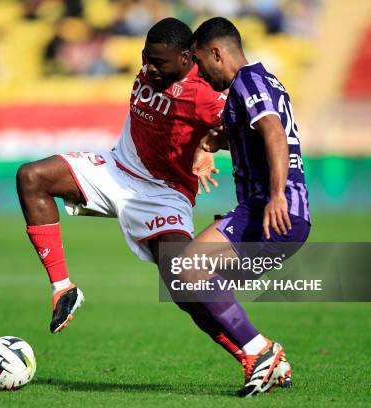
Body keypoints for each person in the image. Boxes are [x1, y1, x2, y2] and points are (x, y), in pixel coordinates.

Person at [17, 18, 293, 383]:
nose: (149, 67)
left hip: (164, 193)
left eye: (158, 62)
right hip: (116, 167)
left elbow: (239, 130)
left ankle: (256, 354)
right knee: (31, 176)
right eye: (145, 58)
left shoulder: (206, 93)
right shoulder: (156, 63)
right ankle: (63, 289)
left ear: (185, 58)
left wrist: (209, 146)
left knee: (183, 285)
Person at [185, 17, 311, 397]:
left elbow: (273, 131)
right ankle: (267, 362)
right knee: (193, 288)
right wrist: (210, 144)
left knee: (188, 266)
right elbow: (251, 132)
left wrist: (275, 195)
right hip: (285, 216)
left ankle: (262, 353)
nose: (200, 73)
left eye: (200, 62)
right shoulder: (261, 82)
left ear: (216, 53)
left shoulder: (247, 81)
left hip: (273, 210)